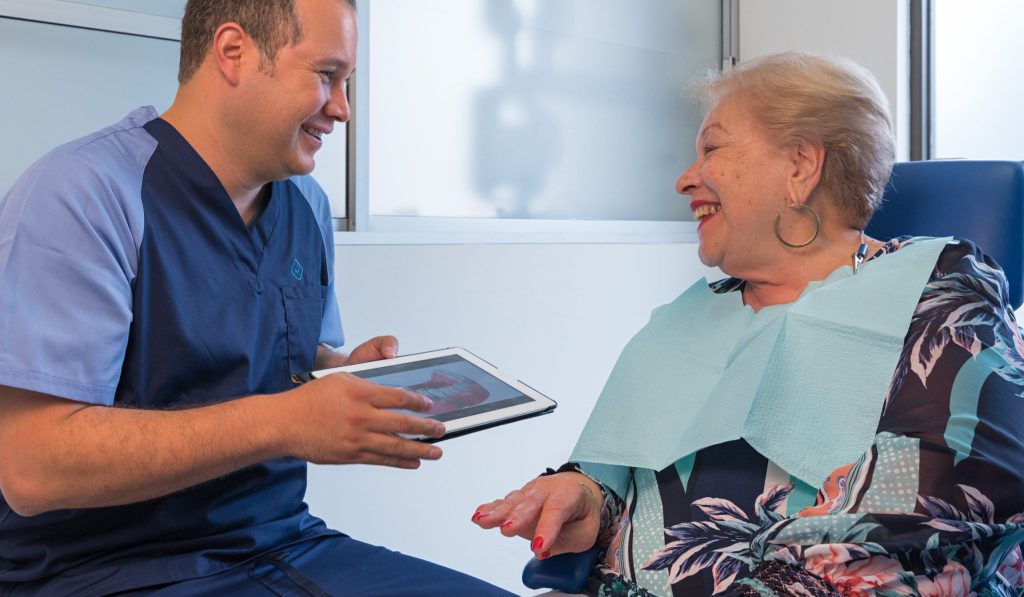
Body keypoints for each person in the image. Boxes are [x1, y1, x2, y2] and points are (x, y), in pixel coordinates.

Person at [0, 1, 513, 595]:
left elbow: (283, 348)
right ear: (234, 52)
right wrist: (283, 422)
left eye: (348, 83)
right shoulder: (82, 194)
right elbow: (32, 469)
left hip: (282, 539)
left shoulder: (306, 207)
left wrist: (343, 377)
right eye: (327, 75)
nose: (342, 109)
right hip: (101, 570)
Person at [474, 51, 1024, 596]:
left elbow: (941, 511)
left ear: (800, 166)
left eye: (711, 148)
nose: (685, 181)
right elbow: (622, 463)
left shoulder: (938, 284)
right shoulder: (691, 313)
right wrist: (587, 497)